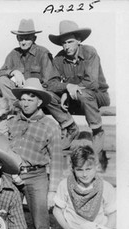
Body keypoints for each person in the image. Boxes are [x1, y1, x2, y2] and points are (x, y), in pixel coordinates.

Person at [7, 78, 63, 229]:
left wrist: (53, 190)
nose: (26, 102)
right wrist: (11, 171)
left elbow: (57, 160)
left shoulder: (51, 125)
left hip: (37, 175)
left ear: (39, 101)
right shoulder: (12, 121)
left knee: (40, 222)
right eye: (23, 99)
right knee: (12, 218)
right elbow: (4, 148)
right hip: (12, 173)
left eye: (31, 98)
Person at [0, 18, 79, 149]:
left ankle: (70, 126)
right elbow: (0, 73)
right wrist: (13, 72)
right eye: (20, 38)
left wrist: (34, 87)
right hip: (22, 97)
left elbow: (50, 81)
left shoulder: (43, 53)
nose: (23, 42)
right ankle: (18, 116)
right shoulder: (13, 54)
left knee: (48, 95)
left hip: (39, 93)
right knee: (2, 81)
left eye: (27, 38)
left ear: (34, 38)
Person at [48, 20, 110, 156]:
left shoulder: (90, 53)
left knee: (83, 93)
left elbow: (92, 83)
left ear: (79, 40)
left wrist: (68, 93)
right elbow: (51, 83)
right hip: (75, 99)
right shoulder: (59, 59)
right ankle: (70, 127)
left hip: (98, 95)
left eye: (70, 42)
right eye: (63, 43)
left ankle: (97, 132)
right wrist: (67, 87)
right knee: (48, 96)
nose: (66, 46)